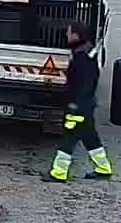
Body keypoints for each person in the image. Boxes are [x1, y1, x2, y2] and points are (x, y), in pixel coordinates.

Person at [47, 21, 113, 182]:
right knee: (91, 138)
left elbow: (83, 84)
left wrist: (74, 106)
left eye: (69, 33)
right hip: (85, 106)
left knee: (68, 139)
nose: (66, 35)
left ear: (76, 35)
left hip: (79, 108)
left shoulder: (82, 57)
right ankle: (104, 168)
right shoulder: (84, 52)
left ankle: (58, 173)